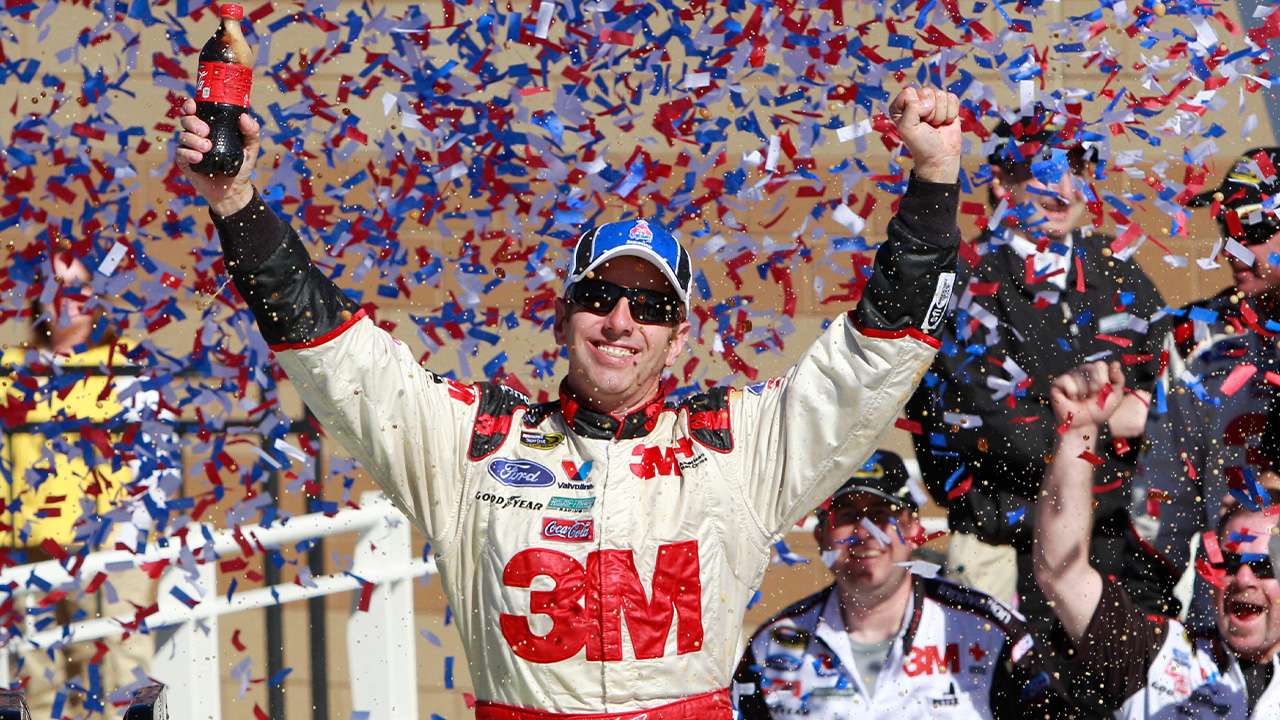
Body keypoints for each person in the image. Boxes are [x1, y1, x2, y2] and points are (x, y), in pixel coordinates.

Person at [175, 86, 962, 718]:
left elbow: (872, 361)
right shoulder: (472, 443)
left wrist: (932, 186)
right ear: (562, 315)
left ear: (680, 338)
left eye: (651, 309)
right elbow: (337, 356)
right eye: (601, 297)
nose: (622, 322)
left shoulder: (737, 449)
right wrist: (238, 204)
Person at [903, 106, 1175, 633]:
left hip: (1119, 550)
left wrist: (1127, 420)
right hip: (1005, 552)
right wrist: (1106, 423)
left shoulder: (1121, 274)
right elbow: (993, 433)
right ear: (1003, 182)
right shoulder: (963, 284)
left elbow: (1166, 414)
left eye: (1077, 170)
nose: (1063, 187)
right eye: (1043, 169)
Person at [1035, 359, 1280, 718]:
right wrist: (1079, 432)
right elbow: (1062, 572)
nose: (1242, 579)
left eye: (1262, 566)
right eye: (1227, 562)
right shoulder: (1156, 654)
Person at [734, 450, 1058, 719]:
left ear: (914, 528)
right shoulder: (773, 644)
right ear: (821, 536)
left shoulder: (988, 628)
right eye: (846, 516)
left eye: (880, 515)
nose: (864, 533)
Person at [1, 254, 157, 716]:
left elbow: (153, 452)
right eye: (57, 286)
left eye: (80, 286)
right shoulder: (12, 369)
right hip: (32, 548)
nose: (71, 298)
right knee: (41, 683)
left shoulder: (123, 364)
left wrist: (132, 535)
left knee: (121, 678)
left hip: (111, 545)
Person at [1139, 147, 1280, 629]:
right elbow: (1164, 498)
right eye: (1228, 230)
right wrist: (1150, 609)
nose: (1233, 249)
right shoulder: (1199, 337)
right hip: (1226, 618)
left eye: (1254, 229)